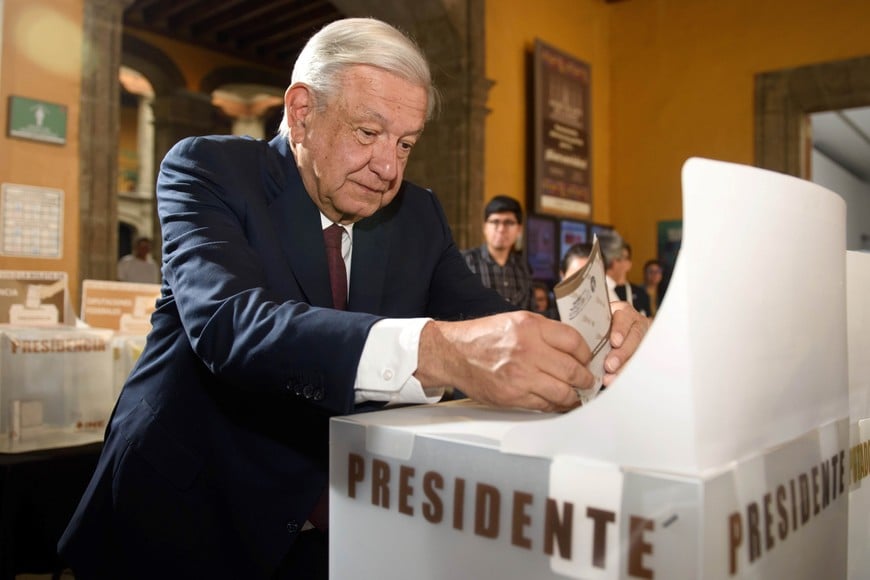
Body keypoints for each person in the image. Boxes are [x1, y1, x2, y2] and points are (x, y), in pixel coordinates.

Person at [58, 18, 648, 580]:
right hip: (186, 523)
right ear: (302, 112)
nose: (389, 167)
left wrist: (591, 340)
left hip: (340, 532)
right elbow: (231, 325)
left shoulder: (415, 214)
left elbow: (486, 322)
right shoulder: (209, 171)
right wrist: (437, 352)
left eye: (407, 143)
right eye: (368, 133)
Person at [462, 195, 534, 310]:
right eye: (495, 222)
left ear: (519, 229)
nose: (501, 229)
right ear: (485, 227)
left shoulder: (524, 267)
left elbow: (530, 313)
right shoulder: (464, 262)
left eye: (509, 222)